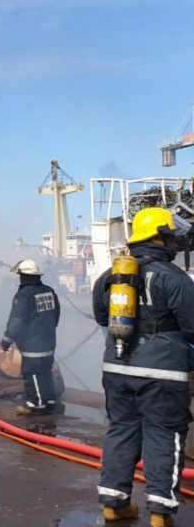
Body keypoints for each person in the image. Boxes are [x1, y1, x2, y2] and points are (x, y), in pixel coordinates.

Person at [92, 207, 194, 527]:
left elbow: (101, 318)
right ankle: (161, 512)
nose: (175, 245)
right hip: (163, 373)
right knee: (164, 434)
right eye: (170, 238)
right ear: (158, 238)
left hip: (117, 370)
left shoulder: (110, 276)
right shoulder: (174, 278)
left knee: (122, 430)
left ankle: (114, 505)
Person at [0, 258, 61, 415]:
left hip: (33, 345)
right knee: (46, 371)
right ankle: (50, 399)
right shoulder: (49, 291)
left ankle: (36, 403)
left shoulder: (24, 295)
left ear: (24, 276)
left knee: (32, 373)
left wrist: (6, 341)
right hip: (49, 342)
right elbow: (56, 314)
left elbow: (17, 321)